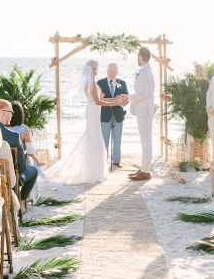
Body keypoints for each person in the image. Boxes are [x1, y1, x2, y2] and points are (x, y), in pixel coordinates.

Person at [44, 60, 126, 185]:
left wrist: (115, 99)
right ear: (94, 69)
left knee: (94, 138)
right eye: (97, 68)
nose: (98, 70)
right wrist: (114, 103)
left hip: (93, 110)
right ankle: (93, 172)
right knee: (94, 138)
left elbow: (101, 99)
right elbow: (98, 102)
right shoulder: (92, 83)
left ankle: (93, 169)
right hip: (93, 111)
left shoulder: (89, 82)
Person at [0, 99, 40, 199]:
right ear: (4, 113)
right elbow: (22, 167)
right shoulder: (13, 136)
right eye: (11, 112)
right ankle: (20, 199)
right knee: (33, 170)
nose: (12, 115)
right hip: (11, 178)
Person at [126, 48, 156, 181]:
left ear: (141, 57)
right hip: (144, 110)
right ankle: (144, 169)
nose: (137, 58)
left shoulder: (145, 72)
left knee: (146, 141)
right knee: (145, 141)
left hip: (144, 111)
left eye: (138, 56)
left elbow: (143, 94)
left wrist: (127, 97)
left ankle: (146, 171)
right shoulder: (145, 70)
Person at [97, 63, 129, 168]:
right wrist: (112, 101)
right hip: (104, 116)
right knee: (104, 140)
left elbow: (127, 99)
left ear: (117, 71)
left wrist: (122, 102)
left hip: (118, 115)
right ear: (107, 71)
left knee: (117, 140)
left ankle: (116, 162)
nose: (112, 72)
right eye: (110, 70)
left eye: (114, 70)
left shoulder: (122, 83)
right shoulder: (100, 83)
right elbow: (98, 99)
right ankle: (102, 162)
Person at [8, 101, 43, 167]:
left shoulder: (1, 127)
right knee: (36, 167)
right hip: (20, 164)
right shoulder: (24, 128)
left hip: (6, 162)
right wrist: (37, 161)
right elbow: (30, 151)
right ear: (20, 114)